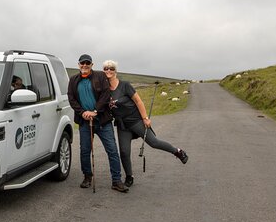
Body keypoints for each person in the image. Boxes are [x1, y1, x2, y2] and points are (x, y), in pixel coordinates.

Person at [103, 59, 189, 188]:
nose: (108, 70)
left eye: (111, 68)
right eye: (106, 68)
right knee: (124, 152)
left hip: (136, 120)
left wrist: (145, 118)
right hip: (122, 125)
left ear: (116, 71)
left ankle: (178, 151)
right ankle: (129, 176)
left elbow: (138, 101)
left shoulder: (125, 85)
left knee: (153, 142)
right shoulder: (104, 89)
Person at [67, 54, 126, 192]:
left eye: (87, 63)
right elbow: (71, 99)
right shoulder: (73, 80)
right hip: (84, 122)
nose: (85, 65)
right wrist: (82, 112)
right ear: (78, 65)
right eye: (82, 63)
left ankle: (116, 181)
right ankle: (87, 177)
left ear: (92, 65)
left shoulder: (100, 76)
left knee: (112, 150)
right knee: (85, 150)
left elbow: (105, 95)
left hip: (102, 121)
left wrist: (95, 111)